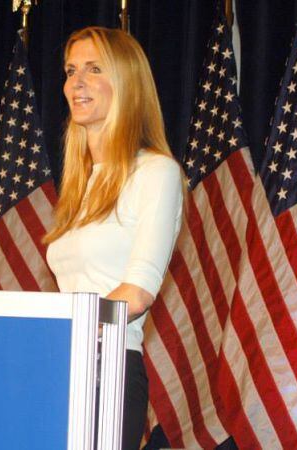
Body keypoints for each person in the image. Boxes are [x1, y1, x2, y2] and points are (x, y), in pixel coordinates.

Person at [45, 26, 183, 449]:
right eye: (71, 70)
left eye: (93, 69)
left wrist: (59, 328)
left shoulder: (156, 173)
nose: (76, 83)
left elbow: (138, 293)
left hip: (108, 371)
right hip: (62, 364)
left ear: (126, 82)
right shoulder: (80, 183)